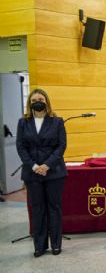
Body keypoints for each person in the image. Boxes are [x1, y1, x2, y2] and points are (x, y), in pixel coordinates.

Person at [16, 89, 67, 257]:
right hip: (32, 173)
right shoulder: (23, 122)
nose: (37, 101)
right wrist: (33, 166)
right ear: (30, 103)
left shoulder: (57, 121)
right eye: (33, 100)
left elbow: (61, 146)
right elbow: (21, 147)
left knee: (54, 208)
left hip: (54, 171)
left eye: (41, 98)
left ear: (47, 101)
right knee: (38, 209)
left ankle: (56, 244)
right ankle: (39, 245)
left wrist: (46, 165)